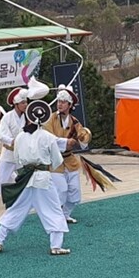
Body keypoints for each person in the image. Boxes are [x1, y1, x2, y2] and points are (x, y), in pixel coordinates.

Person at [0, 95, 71, 255]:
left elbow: (17, 159)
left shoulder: (19, 137)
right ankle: (56, 246)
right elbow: (57, 160)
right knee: (54, 210)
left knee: (16, 208)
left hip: (25, 179)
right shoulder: (47, 136)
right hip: (43, 179)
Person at [43, 85, 91, 224]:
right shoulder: (50, 118)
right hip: (55, 161)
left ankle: (65, 214)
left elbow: (84, 142)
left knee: (75, 192)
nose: (60, 104)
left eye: (63, 102)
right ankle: (56, 217)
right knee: (61, 190)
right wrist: (65, 142)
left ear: (70, 105)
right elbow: (47, 138)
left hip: (70, 160)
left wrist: (84, 138)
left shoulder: (75, 122)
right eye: (59, 101)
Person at [0, 87, 28, 212]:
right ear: (16, 104)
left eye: (26, 102)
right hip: (9, 153)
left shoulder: (27, 117)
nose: (25, 105)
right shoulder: (7, 117)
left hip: (23, 154)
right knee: (0, 178)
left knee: (26, 177)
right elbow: (1, 136)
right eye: (22, 103)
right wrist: (13, 141)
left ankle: (24, 201)